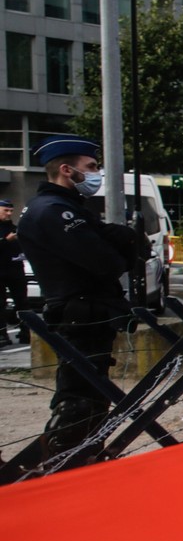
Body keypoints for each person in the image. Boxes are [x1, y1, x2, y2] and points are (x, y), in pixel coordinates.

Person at [16, 137, 150, 459]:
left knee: (93, 398)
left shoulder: (68, 207)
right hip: (79, 315)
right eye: (90, 167)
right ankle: (58, 463)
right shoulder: (53, 211)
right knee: (78, 399)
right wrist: (122, 244)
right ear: (66, 170)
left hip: (90, 313)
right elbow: (108, 262)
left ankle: (83, 459)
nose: (95, 173)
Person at [0, 198, 28, 345]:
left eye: (11, 210)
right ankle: (2, 335)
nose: (9, 213)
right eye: (6, 210)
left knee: (22, 303)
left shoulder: (13, 228)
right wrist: (5, 241)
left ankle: (25, 332)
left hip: (15, 270)